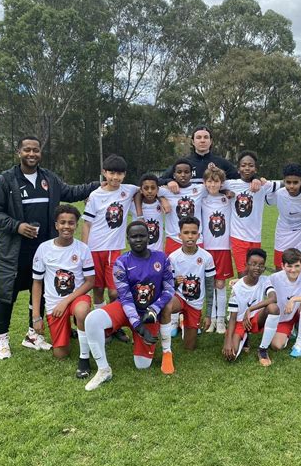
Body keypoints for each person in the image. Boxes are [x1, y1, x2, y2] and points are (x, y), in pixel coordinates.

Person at [0, 136, 99, 360]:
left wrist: (99, 185)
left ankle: (32, 334)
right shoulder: (6, 180)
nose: (32, 154)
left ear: (40, 153)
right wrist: (17, 226)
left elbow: (72, 192)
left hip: (44, 250)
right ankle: (2, 339)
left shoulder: (49, 178)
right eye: (27, 150)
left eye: (35, 150)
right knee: (7, 294)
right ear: (19, 152)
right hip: (14, 251)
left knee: (38, 290)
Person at [84, 221, 178, 391]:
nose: (138, 239)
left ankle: (158, 347)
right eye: (134, 236)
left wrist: (154, 309)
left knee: (142, 365)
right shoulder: (121, 262)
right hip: (126, 308)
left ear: (149, 237)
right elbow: (126, 298)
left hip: (148, 313)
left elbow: (169, 288)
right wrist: (138, 326)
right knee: (92, 319)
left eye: (142, 235)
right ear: (128, 239)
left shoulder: (162, 258)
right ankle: (103, 370)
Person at [81, 154, 140, 343]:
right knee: (98, 289)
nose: (115, 177)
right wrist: (84, 250)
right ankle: (104, 327)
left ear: (124, 174)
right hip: (94, 250)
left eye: (119, 174)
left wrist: (163, 197)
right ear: (104, 173)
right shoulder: (95, 195)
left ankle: (114, 323)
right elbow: (87, 224)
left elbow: (149, 187)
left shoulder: (128, 190)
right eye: (111, 173)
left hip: (114, 251)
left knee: (115, 291)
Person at [31, 205, 94, 377]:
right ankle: (70, 329)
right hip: (54, 303)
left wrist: (65, 302)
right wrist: (36, 317)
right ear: (56, 225)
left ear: (76, 225)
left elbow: (90, 282)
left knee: (82, 311)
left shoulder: (83, 249)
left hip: (76, 298)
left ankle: (84, 357)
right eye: (63, 222)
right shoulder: (44, 248)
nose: (67, 226)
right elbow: (37, 283)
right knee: (61, 354)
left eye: (71, 223)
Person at [225, 151, 279, 277]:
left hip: (255, 237)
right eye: (243, 165)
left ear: (256, 168)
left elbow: (284, 184)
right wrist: (225, 191)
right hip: (238, 237)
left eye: (251, 165)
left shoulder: (263, 185)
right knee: (243, 274)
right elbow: (213, 185)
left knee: (254, 274)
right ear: (238, 169)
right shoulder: (231, 184)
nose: (247, 168)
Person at [223, 249, 279, 366]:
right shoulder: (237, 288)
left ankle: (263, 349)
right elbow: (232, 318)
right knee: (230, 355)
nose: (257, 268)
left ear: (264, 268)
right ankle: (244, 337)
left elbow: (273, 298)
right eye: (253, 264)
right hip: (239, 322)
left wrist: (250, 309)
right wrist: (227, 342)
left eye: (261, 265)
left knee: (273, 308)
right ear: (246, 265)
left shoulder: (264, 280)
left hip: (255, 319)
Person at [168, 216, 216, 350]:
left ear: (198, 236)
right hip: (179, 298)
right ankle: (165, 341)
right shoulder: (173, 257)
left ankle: (185, 322)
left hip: (195, 303)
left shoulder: (207, 257)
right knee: (166, 305)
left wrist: (208, 315)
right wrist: (175, 283)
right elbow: (167, 288)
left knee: (189, 347)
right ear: (180, 235)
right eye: (186, 233)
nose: (190, 236)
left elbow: (210, 288)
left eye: (193, 233)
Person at [265, 163, 301, 270]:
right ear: (284, 181)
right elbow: (264, 193)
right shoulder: (279, 194)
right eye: (288, 182)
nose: (291, 186)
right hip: (282, 235)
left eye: (295, 182)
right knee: (280, 271)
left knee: (299, 271)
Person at [270, 248, 301, 357]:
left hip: (297, 312)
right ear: (282, 266)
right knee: (276, 346)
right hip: (284, 316)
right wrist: (240, 281)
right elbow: (259, 282)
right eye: (289, 266)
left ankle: (300, 343)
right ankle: (291, 330)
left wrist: (293, 299)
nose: (293, 270)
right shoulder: (275, 278)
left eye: (297, 266)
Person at [201, 166, 234, 334]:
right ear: (204, 183)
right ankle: (212, 319)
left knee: (220, 284)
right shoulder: (201, 199)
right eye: (209, 181)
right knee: (209, 284)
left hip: (223, 247)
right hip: (206, 248)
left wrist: (228, 190)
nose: (212, 185)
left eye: (216, 181)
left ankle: (221, 319)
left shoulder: (228, 199)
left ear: (222, 183)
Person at [159, 125, 239, 187]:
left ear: (211, 141)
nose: (202, 140)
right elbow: (159, 180)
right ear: (193, 142)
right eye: (198, 137)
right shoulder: (183, 164)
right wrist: (169, 181)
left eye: (206, 137)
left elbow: (241, 180)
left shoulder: (222, 163)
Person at [132, 173, 166, 252]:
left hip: (157, 251)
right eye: (146, 188)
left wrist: (162, 199)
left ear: (157, 189)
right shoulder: (133, 204)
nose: (150, 191)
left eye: (153, 188)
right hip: (139, 251)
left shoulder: (161, 203)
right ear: (141, 190)